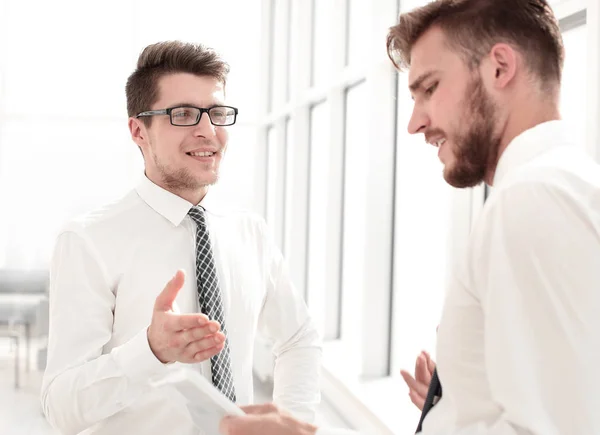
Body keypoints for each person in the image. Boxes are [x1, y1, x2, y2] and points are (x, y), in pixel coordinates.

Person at [219, 0, 600, 433]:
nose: (414, 123)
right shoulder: (557, 187)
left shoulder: (535, 198)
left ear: (499, 68)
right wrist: (456, 400)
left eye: (430, 88)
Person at [41, 41, 322, 435]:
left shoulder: (248, 231)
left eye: (217, 113)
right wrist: (150, 351)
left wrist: (293, 422)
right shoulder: (88, 241)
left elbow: (298, 337)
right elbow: (60, 407)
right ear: (139, 130)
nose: (208, 131)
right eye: (184, 114)